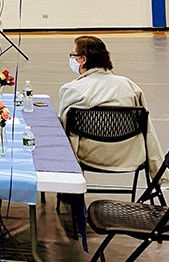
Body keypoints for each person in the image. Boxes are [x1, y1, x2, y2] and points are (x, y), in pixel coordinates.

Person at [59, 35, 168, 183]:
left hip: (88, 157)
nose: (71, 58)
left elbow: (64, 130)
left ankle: (71, 189)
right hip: (131, 155)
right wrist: (159, 172)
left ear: (83, 59)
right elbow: (147, 129)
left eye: (73, 55)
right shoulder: (129, 86)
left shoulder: (72, 90)